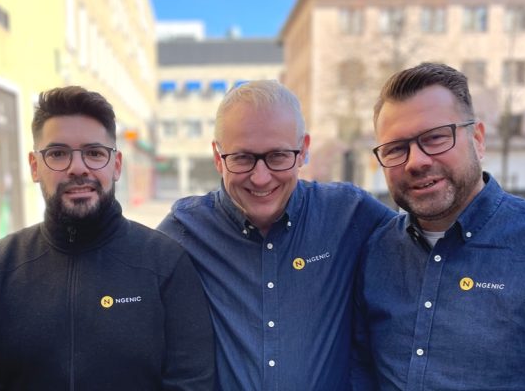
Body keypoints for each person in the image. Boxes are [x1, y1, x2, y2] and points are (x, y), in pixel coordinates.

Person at [0, 86, 215, 389]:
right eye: (58, 154)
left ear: (116, 165)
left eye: (94, 153)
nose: (77, 168)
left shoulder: (165, 263)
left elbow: (191, 381)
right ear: (35, 167)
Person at [157, 80, 395, 390]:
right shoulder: (184, 230)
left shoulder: (349, 213)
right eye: (243, 158)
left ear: (304, 150)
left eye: (278, 156)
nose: (260, 178)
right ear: (218, 156)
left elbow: (423, 247)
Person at [352, 63, 525, 389]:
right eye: (395, 149)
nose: (416, 161)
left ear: (478, 139)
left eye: (435, 138)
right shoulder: (375, 252)